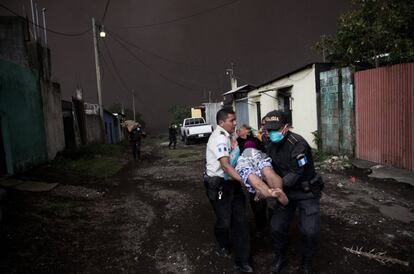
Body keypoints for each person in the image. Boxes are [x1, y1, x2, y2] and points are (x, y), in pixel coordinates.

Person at [262, 110, 324, 274]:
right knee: (276, 227)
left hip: (306, 192)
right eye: (268, 130)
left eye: (275, 129)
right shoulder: (267, 140)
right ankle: (280, 258)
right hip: (285, 191)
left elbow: (296, 173)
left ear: (286, 127)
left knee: (310, 232)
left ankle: (306, 264)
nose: (271, 133)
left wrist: (274, 190)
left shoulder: (298, 144)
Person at [204, 108, 253, 273]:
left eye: (235, 120)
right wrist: (246, 180)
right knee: (224, 221)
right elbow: (224, 165)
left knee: (240, 221)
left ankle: (243, 261)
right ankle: (222, 243)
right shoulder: (219, 138)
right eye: (231, 120)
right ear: (221, 122)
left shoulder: (229, 135)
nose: (235, 123)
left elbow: (233, 158)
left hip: (231, 182)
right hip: (218, 184)